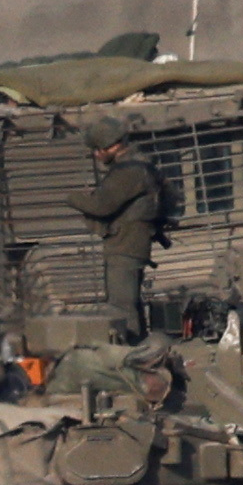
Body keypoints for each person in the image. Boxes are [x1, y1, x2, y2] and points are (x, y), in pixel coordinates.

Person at [79, 132, 173, 340]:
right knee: (129, 303)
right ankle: (137, 348)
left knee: (121, 306)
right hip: (130, 241)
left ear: (111, 146)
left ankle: (131, 354)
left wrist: (74, 198)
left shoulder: (129, 170)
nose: (96, 155)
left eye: (97, 150)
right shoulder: (139, 166)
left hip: (126, 243)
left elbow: (102, 206)